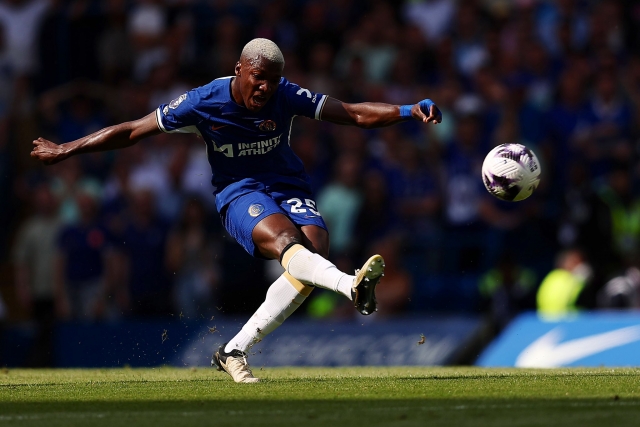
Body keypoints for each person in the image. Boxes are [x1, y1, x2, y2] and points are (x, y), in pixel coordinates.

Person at [31, 38, 442, 382]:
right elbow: (134, 130)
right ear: (240, 69)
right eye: (258, 78)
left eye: (272, 80)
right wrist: (68, 148)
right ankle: (350, 286)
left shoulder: (285, 94)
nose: (265, 88)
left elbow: (352, 113)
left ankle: (233, 350)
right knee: (288, 243)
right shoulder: (203, 101)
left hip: (287, 184)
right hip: (239, 192)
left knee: (312, 249)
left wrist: (407, 110)